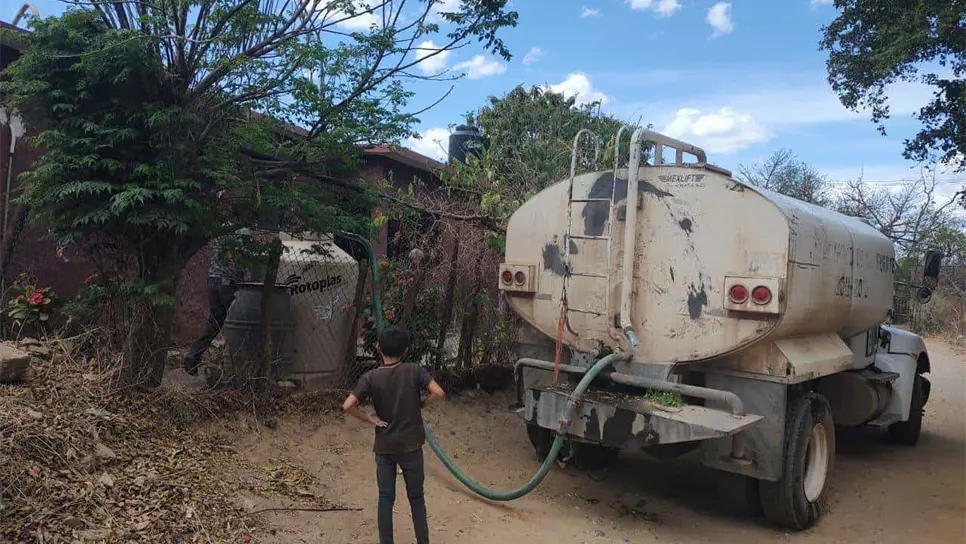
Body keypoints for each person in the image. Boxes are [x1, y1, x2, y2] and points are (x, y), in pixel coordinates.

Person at [343, 326, 445, 544]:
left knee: (385, 498)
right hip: (411, 445)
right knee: (416, 497)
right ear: (406, 350)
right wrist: (421, 405)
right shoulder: (415, 370)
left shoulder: (370, 377)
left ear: (378, 348)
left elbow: (347, 405)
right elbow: (438, 393)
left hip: (385, 446)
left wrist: (368, 418)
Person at [183, 227, 251, 376]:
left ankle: (193, 354)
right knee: (237, 322)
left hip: (213, 280)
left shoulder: (223, 228)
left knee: (215, 322)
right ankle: (230, 363)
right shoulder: (243, 231)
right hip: (228, 282)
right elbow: (242, 257)